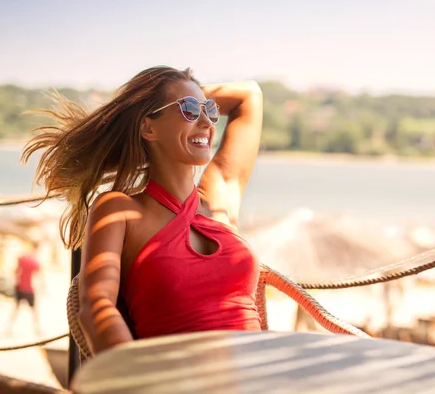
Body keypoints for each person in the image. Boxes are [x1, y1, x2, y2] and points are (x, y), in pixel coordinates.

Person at [21, 66, 263, 354]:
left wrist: (184, 92)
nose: (207, 123)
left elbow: (250, 95)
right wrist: (135, 381)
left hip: (259, 373)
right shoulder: (119, 210)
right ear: (148, 127)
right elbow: (96, 307)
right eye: (188, 110)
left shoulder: (219, 193)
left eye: (210, 111)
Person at [7, 241, 42, 335]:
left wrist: (16, 283)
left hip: (21, 287)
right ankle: (37, 329)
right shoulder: (35, 261)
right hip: (29, 288)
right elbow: (39, 277)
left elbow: (16, 271)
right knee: (34, 310)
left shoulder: (23, 258)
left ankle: (9, 327)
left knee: (17, 308)